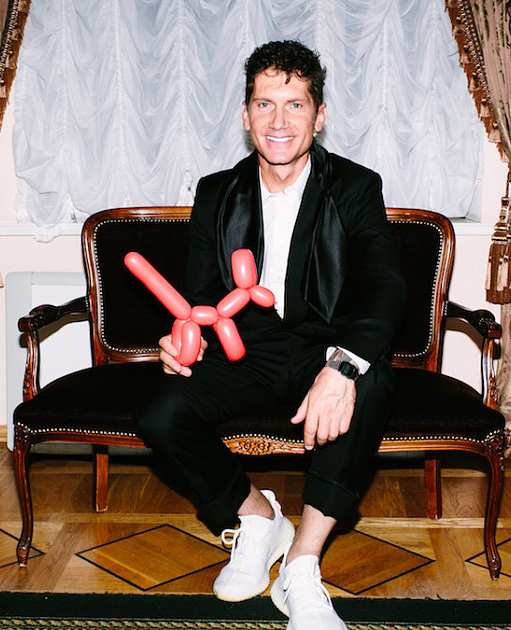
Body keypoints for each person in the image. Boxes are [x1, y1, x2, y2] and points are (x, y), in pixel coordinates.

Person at [135, 40, 406, 630]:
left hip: (323, 346)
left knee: (370, 382)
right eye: (265, 104)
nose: (279, 121)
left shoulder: (356, 186)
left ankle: (301, 565)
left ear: (319, 115)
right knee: (160, 412)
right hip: (245, 350)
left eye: (295, 104)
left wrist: (342, 367)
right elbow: (201, 296)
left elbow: (385, 286)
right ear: (245, 114)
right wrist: (180, 339)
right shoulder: (217, 192)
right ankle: (259, 518)